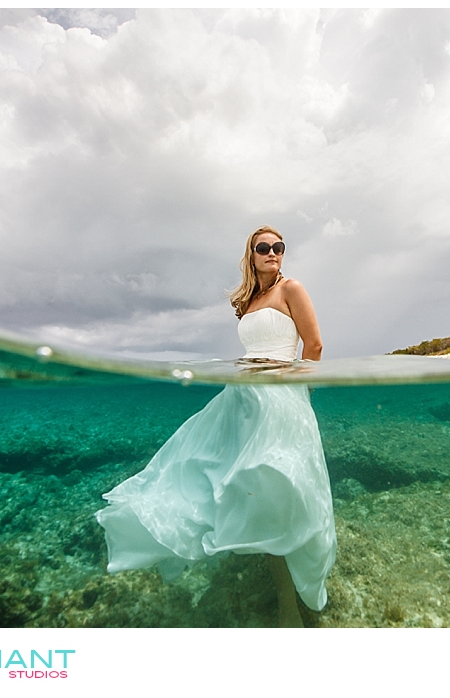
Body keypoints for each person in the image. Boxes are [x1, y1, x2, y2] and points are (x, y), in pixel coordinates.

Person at [96, 225, 337, 627]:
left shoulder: (291, 288)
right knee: (208, 472)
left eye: (280, 247)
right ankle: (266, 576)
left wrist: (300, 393)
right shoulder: (249, 300)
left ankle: (287, 602)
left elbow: (314, 347)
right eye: (265, 247)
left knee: (277, 492)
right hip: (243, 399)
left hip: (280, 401)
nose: (274, 252)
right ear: (251, 254)